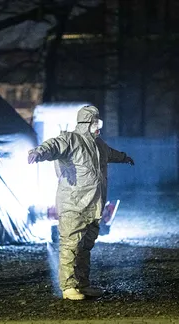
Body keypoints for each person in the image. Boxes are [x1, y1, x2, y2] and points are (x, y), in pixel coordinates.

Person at [28, 105, 133, 300]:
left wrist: (124, 157)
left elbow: (111, 153)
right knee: (70, 245)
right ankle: (68, 287)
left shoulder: (98, 144)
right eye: (95, 122)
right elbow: (53, 146)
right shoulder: (70, 140)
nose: (98, 126)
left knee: (85, 246)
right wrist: (38, 152)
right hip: (73, 204)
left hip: (93, 206)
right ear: (87, 123)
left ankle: (83, 284)